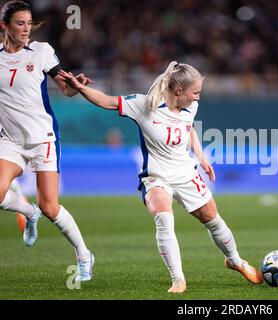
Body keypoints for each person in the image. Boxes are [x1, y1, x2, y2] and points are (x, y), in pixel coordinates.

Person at [59, 61, 264, 293]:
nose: (198, 98)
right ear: (179, 91)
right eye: (195, 93)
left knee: (213, 219)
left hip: (186, 173)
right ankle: (178, 280)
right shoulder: (144, 105)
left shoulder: (191, 107)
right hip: (156, 177)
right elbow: (106, 101)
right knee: (164, 218)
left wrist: (202, 157)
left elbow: (189, 128)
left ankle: (235, 260)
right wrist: (80, 87)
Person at [0, 1, 94, 281]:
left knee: (50, 207)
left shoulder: (41, 52)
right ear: (5, 26)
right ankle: (28, 212)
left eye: (29, 23)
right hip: (10, 141)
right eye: (20, 23)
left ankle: (84, 254)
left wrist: (77, 86)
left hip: (43, 138)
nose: (26, 29)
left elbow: (65, 90)